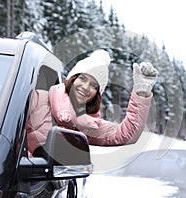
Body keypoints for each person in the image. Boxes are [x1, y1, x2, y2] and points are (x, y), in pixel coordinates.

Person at [26, 49, 158, 157]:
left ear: (97, 94)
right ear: (72, 79)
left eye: (94, 85)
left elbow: (127, 134)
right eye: (82, 78)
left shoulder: (88, 126)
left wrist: (141, 92)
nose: (85, 87)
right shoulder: (37, 99)